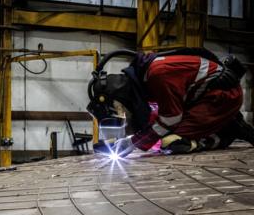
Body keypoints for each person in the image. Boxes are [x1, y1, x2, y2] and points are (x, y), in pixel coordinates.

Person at [87, 48, 252, 157]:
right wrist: (124, 141)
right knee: (157, 135)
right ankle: (221, 126)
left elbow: (171, 118)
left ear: (120, 95)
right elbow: (151, 120)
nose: (123, 115)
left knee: (171, 142)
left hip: (221, 97)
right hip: (202, 98)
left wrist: (131, 143)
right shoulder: (145, 81)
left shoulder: (157, 74)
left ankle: (223, 135)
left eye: (119, 109)